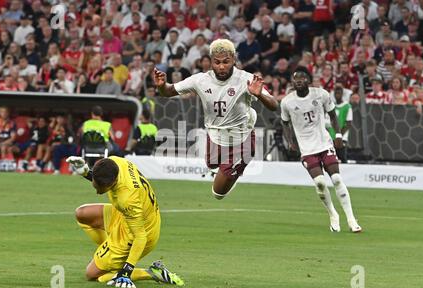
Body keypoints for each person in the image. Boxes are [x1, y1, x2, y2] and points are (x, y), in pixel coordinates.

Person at [154, 39, 278, 200]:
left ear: (234, 59)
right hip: (215, 134)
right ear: (210, 61)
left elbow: (274, 105)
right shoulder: (200, 80)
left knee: (218, 193)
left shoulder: (247, 79)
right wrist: (162, 85)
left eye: (226, 62)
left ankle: (234, 173)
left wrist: (260, 94)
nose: (221, 66)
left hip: (241, 138)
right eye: (217, 62)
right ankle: (230, 172)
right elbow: (168, 92)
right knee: (212, 164)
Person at [65, 155, 184, 288]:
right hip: (128, 215)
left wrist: (127, 271)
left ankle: (152, 272)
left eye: (100, 188)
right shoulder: (114, 162)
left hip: (139, 233)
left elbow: (140, 237)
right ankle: (108, 250)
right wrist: (86, 172)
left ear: (112, 184)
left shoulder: (127, 198)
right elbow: (102, 177)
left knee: (92, 274)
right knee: (82, 214)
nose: (98, 192)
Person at [280, 70, 362, 233]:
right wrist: (290, 142)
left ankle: (352, 219)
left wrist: (338, 134)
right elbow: (285, 123)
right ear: (292, 82)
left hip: (324, 143)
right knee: (320, 183)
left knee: (337, 179)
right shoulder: (287, 102)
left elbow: (332, 115)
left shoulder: (321, 94)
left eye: (303, 78)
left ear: (309, 80)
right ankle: (333, 214)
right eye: (295, 79)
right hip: (306, 148)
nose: (299, 81)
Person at [326, 85, 352, 163]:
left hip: (341, 138)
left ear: (342, 94)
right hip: (330, 138)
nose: (337, 94)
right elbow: (327, 122)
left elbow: (348, 124)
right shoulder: (331, 106)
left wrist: (338, 136)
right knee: (331, 160)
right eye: (336, 93)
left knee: (342, 158)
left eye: (339, 93)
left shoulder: (347, 106)